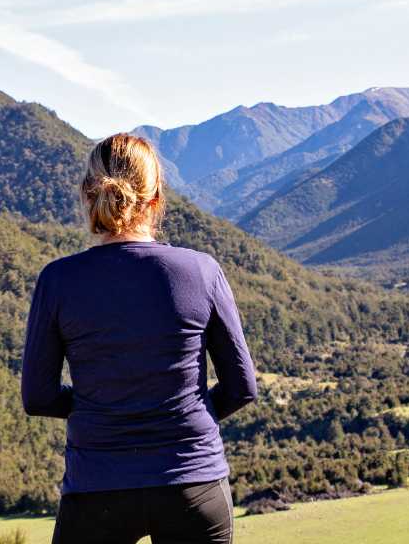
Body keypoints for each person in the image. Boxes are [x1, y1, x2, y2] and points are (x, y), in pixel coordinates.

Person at [21, 134, 259, 544]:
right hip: (194, 481)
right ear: (157, 198)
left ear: (86, 194)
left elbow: (38, 397)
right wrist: (186, 418)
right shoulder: (201, 272)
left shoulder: (58, 280)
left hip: (97, 487)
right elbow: (242, 387)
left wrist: (99, 412)